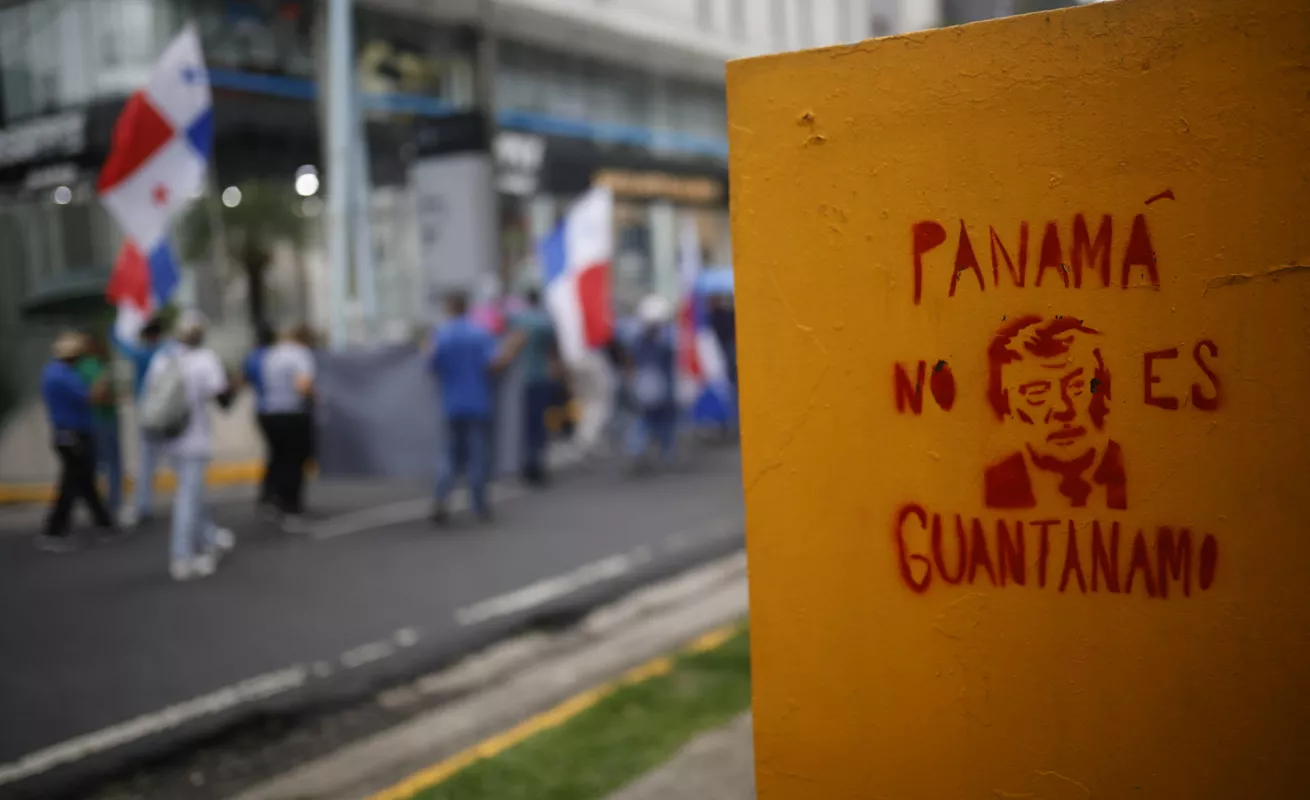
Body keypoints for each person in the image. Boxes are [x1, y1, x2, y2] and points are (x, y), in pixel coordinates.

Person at [984, 315, 1126, 510]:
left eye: (1077, 387)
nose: (1063, 408)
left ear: (1104, 391)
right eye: (1037, 394)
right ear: (1005, 406)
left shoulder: (1141, 472)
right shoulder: (991, 488)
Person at [147, 311, 236, 580]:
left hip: (169, 438)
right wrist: (236, 384)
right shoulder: (205, 360)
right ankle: (182, 558)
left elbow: (151, 394)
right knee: (188, 498)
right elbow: (222, 400)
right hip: (194, 440)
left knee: (194, 494)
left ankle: (209, 537)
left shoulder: (162, 358)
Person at [429, 291, 510, 524]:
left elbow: (433, 365)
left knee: (451, 454)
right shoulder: (480, 334)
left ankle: (441, 496)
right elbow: (494, 364)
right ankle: (479, 504)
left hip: (452, 403)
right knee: (478, 455)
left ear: (449, 308)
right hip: (478, 402)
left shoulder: (441, 335)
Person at [39, 332, 116, 551]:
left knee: (83, 481)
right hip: (74, 434)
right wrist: (102, 380)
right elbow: (89, 397)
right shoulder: (62, 376)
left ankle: (104, 523)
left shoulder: (53, 372)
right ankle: (54, 529)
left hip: (69, 433)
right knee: (73, 483)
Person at [260, 323, 317, 530]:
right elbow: (302, 385)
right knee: (294, 462)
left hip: (270, 413)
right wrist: (316, 396)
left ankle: (272, 501)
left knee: (277, 458)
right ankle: (291, 508)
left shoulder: (273, 354)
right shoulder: (301, 355)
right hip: (292, 413)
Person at [506, 288, 559, 485]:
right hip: (539, 376)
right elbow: (553, 351)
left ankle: (524, 463)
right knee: (538, 424)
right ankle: (536, 464)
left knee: (522, 424)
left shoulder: (516, 319)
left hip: (519, 379)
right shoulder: (545, 322)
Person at [116, 317, 166, 527]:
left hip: (146, 410)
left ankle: (144, 505)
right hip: (165, 411)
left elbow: (121, 344)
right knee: (176, 459)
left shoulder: (141, 353)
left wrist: (118, 324)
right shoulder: (165, 352)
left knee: (146, 460)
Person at [625, 295, 678, 468]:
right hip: (663, 388)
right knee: (664, 422)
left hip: (645, 388)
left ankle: (637, 450)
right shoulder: (666, 341)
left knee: (645, 420)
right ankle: (665, 453)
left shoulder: (637, 341)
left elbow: (632, 364)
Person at [76, 335, 123, 516]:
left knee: (99, 463)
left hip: (92, 420)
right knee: (112, 463)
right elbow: (98, 393)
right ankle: (113, 503)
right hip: (104, 419)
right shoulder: (94, 366)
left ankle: (100, 504)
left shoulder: (80, 367)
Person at [243, 323, 277, 512]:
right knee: (279, 454)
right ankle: (271, 493)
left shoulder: (252, 357)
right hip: (276, 409)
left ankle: (268, 493)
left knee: (273, 452)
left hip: (261, 409)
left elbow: (244, 378)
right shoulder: (274, 356)